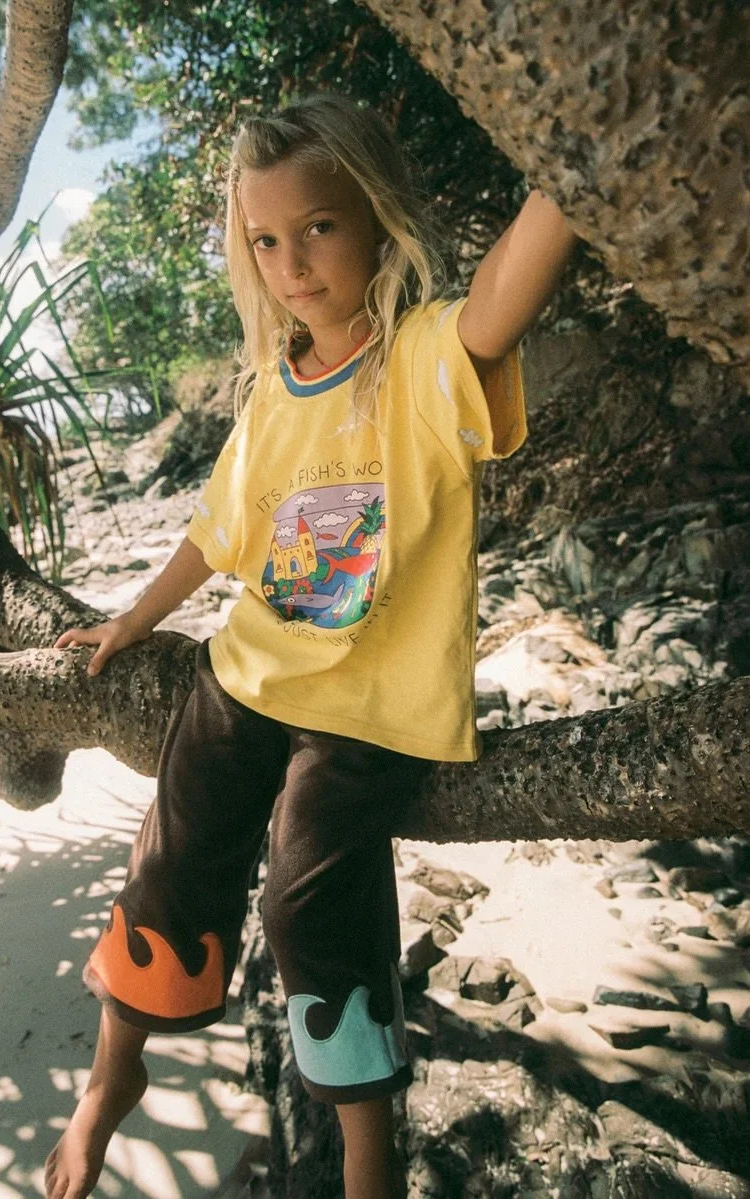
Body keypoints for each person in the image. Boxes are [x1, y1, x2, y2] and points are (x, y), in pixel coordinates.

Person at [44, 93, 579, 1199]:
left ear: (378, 220)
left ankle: (369, 1157)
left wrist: (579, 168)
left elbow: (497, 304)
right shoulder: (274, 391)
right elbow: (215, 532)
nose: (291, 264)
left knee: (305, 901)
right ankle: (112, 1072)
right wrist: (136, 618)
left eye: (319, 227)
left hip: (370, 706)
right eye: (265, 240)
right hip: (246, 673)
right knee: (171, 855)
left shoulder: (422, 361)